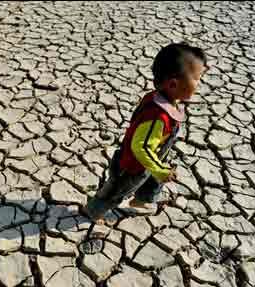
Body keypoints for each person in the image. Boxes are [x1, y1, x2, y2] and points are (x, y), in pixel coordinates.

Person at [86, 42, 207, 224]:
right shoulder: (157, 116)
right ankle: (93, 211)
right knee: (115, 191)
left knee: (153, 182)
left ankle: (141, 200)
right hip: (132, 167)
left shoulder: (165, 101)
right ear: (174, 84)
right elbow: (140, 146)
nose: (199, 83)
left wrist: (158, 168)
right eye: (197, 78)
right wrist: (158, 169)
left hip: (151, 161)